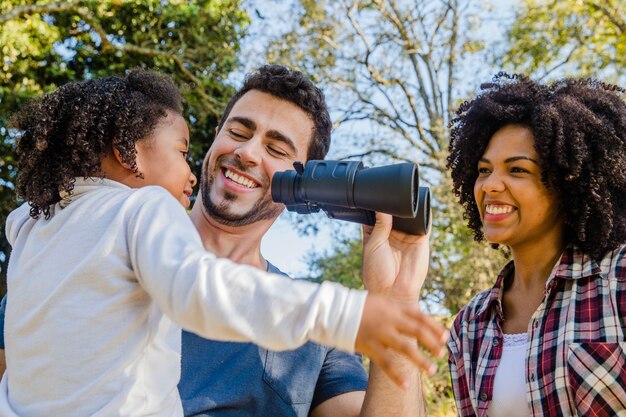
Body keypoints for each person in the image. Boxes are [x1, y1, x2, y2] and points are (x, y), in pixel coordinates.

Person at [0, 68, 447, 416]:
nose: (249, 152)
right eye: (238, 130)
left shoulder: (315, 342)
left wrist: (397, 299)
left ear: (306, 183)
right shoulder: (79, 261)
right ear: (213, 141)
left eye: (276, 148)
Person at [446, 73, 626, 417]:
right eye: (484, 170)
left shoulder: (618, 280)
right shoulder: (469, 325)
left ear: (568, 182)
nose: (490, 185)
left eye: (517, 170)